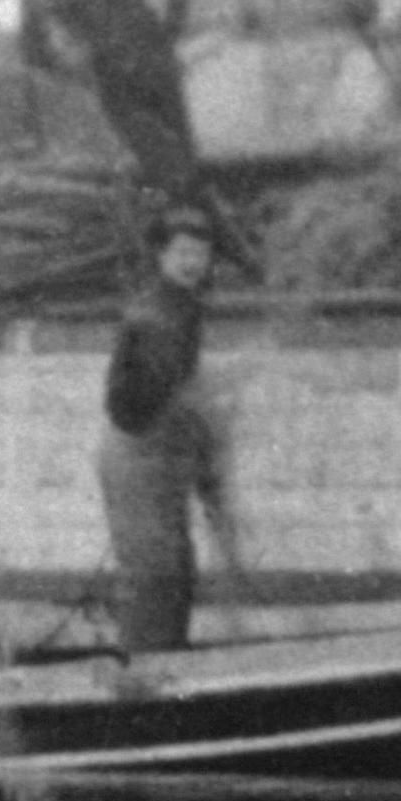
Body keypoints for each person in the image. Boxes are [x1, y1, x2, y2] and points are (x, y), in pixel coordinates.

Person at [9, 0, 208, 211]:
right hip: (155, 56)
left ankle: (179, 234)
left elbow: (57, 24)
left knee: (159, 166)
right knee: (183, 159)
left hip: (114, 70)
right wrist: (169, 33)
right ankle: (211, 236)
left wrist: (80, 57)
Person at [98, 206, 234, 658]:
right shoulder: (156, 314)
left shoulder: (183, 305)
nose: (192, 262)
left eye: (200, 252)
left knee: (175, 566)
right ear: (161, 256)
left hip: (162, 452)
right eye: (181, 252)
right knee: (154, 572)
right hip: (138, 452)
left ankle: (166, 660)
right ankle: (144, 675)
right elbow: (175, 394)